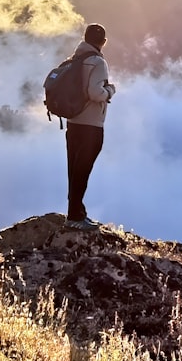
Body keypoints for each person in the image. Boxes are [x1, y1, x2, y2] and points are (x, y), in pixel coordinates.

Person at [64, 23, 116, 230]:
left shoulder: (75, 59)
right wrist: (110, 91)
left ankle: (75, 212)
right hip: (91, 125)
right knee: (83, 171)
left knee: (73, 170)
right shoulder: (97, 63)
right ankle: (75, 217)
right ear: (103, 42)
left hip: (73, 122)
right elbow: (95, 93)